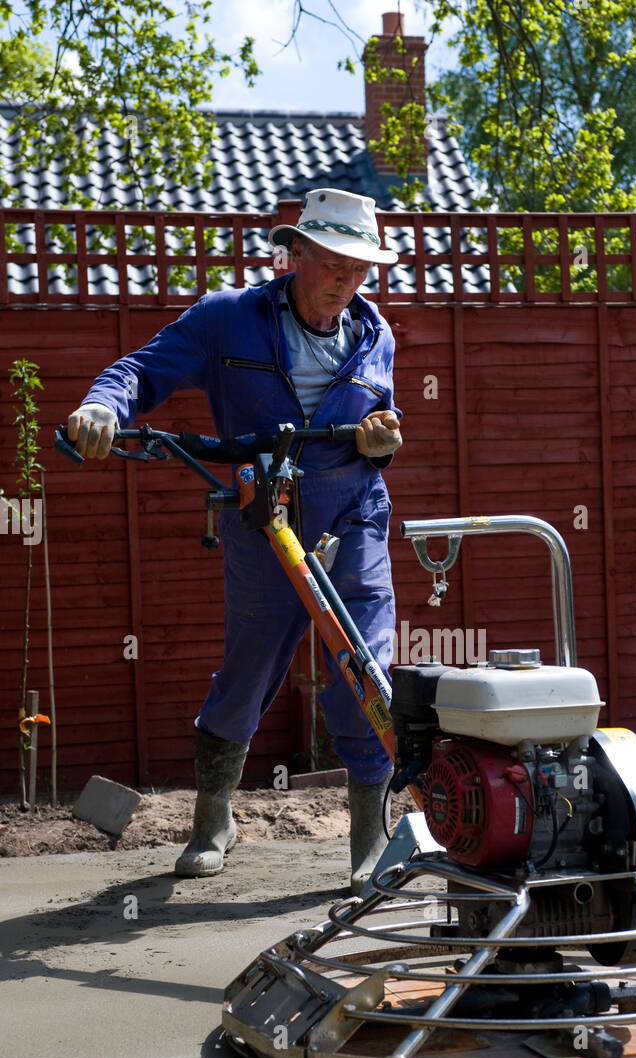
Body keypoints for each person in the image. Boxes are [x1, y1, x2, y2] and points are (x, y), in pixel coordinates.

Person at [68, 188, 402, 893]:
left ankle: (369, 844)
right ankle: (213, 820)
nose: (345, 280)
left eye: (359, 268)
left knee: (364, 668)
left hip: (353, 512)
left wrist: (381, 439)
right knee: (249, 670)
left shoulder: (376, 335)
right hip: (264, 512)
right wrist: (102, 406)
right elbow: (141, 370)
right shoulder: (228, 320)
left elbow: (380, 425)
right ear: (297, 255)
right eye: (333, 263)